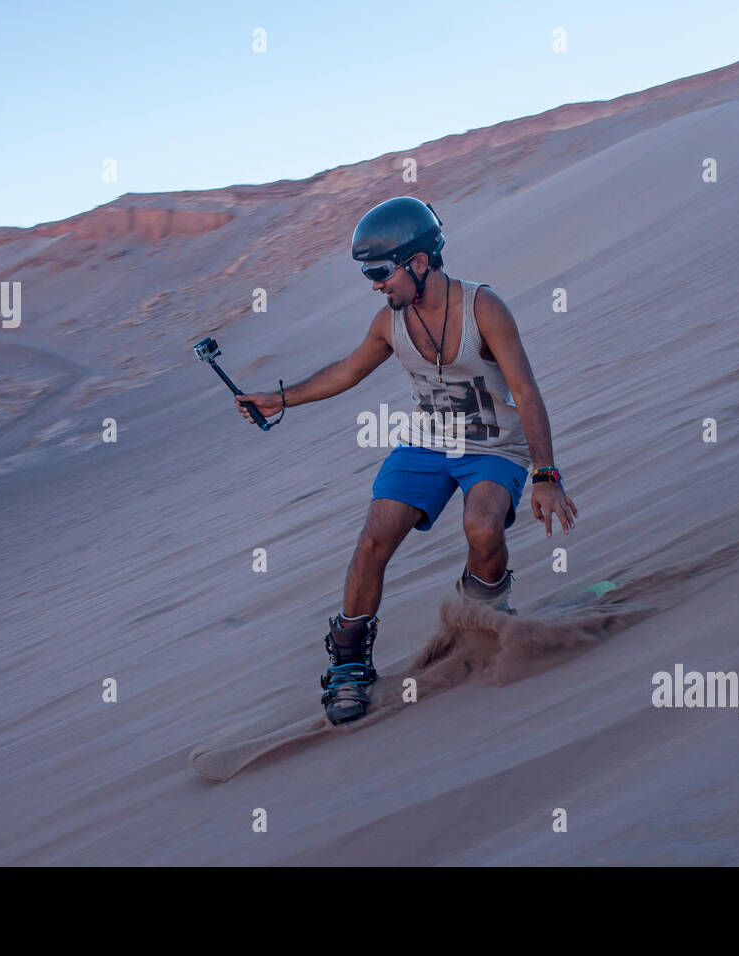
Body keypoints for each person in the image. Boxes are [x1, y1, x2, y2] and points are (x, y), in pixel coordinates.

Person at [235, 196, 577, 724]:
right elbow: (346, 372)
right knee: (373, 538)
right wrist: (278, 399)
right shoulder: (388, 323)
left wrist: (546, 475)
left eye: (379, 271)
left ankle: (481, 616)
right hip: (426, 441)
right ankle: (349, 664)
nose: (374, 283)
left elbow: (526, 393)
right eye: (367, 274)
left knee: (483, 527)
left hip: (492, 445)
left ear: (419, 261)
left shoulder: (483, 308)